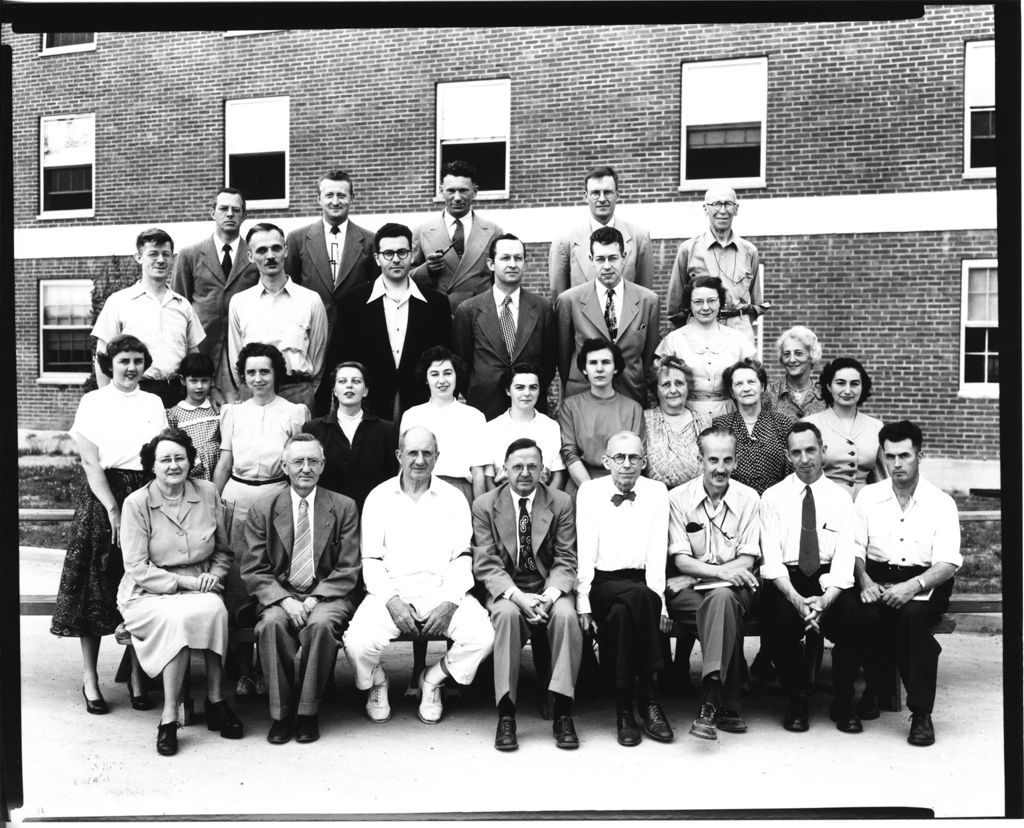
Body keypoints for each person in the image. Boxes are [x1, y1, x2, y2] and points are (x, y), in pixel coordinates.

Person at [344, 426, 495, 726]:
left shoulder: (453, 498)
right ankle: (377, 681)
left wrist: (451, 601)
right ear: (399, 455)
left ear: (437, 457)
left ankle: (432, 679)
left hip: (442, 590)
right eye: (412, 452)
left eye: (427, 453)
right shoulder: (379, 497)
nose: (419, 460)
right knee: (357, 644)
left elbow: (463, 556)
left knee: (483, 637)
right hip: (390, 592)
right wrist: (392, 601)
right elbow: (370, 559)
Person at [50, 335, 168, 714]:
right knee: (94, 587)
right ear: (109, 364)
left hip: (144, 492)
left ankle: (136, 675)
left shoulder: (152, 401)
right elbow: (89, 462)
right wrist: (114, 511)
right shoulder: (93, 402)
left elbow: (159, 454)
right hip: (104, 497)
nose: (131, 368)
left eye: (137, 360)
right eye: (123, 361)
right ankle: (90, 679)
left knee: (137, 586)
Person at [117, 429, 242, 756]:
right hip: (148, 591)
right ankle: (169, 718)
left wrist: (214, 577)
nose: (173, 465)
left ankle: (215, 700)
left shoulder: (208, 492)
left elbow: (223, 551)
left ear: (191, 461)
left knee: (215, 609)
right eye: (165, 460)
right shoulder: (137, 503)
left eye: (179, 458)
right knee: (178, 618)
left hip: (201, 583)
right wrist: (188, 584)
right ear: (152, 466)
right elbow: (137, 568)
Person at [240, 434, 363, 744]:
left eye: (312, 461)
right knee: (270, 625)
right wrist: (284, 601)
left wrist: (315, 599)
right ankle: (281, 715)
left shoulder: (343, 507)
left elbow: (348, 566)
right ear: (285, 466)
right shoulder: (263, 508)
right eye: (298, 461)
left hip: (327, 593)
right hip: (280, 594)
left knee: (321, 625)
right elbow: (254, 569)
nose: (305, 468)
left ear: (322, 466)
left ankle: (307, 712)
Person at [852, 420, 962, 747]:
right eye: (890, 457)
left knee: (912, 617)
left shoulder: (941, 503)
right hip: (877, 575)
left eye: (905, 456)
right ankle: (875, 686)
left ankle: (921, 712)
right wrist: (864, 581)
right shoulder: (868, 497)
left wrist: (912, 587)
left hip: (925, 579)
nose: (897, 464)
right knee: (866, 615)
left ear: (920, 455)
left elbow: (947, 563)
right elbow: (855, 549)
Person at [212, 342, 309, 699]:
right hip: (237, 499)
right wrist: (212, 502)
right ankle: (241, 669)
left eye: (264, 371)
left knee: (272, 580)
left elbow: (300, 463)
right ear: (243, 375)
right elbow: (224, 461)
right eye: (250, 372)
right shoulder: (233, 413)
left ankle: (270, 668)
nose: (257, 378)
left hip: (277, 500)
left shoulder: (294, 412)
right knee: (238, 585)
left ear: (276, 374)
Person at [472, 438, 582, 751]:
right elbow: (487, 563)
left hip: (548, 585)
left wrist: (547, 597)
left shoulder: (560, 502)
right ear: (503, 470)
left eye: (532, 466)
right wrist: (518, 597)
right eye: (517, 466)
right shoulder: (484, 506)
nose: (524, 473)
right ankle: (506, 714)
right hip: (508, 586)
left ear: (543, 470)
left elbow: (566, 558)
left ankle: (563, 712)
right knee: (506, 615)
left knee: (565, 616)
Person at [759, 422, 861, 733]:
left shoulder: (842, 498)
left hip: (828, 579)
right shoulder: (773, 497)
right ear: (788, 456)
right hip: (787, 580)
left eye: (811, 450)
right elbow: (771, 559)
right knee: (777, 619)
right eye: (797, 452)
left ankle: (843, 699)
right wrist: (796, 599)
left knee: (854, 618)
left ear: (823, 451)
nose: (805, 459)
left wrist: (826, 599)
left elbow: (845, 557)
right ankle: (797, 697)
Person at [576, 431, 673, 747]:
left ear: (644, 462)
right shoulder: (589, 492)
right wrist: (583, 603)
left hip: (640, 584)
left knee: (622, 615)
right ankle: (649, 697)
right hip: (602, 583)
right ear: (606, 461)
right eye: (620, 457)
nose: (627, 464)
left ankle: (624, 710)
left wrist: (661, 602)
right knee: (637, 600)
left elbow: (658, 550)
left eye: (634, 458)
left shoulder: (657, 492)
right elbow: (585, 551)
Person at [666, 426, 760, 741]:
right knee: (721, 607)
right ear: (700, 460)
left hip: (736, 588)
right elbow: (680, 559)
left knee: (722, 600)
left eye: (727, 460)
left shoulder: (749, 499)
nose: (720, 468)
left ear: (736, 461)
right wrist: (716, 573)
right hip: (692, 592)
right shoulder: (677, 499)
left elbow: (748, 560)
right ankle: (727, 704)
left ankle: (709, 702)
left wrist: (698, 574)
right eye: (713, 460)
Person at [320, 222, 451, 421]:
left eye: (402, 252)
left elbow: (446, 357)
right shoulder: (353, 302)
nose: (396, 259)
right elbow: (338, 358)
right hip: (368, 406)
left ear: (412, 254)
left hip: (422, 406)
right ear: (377, 258)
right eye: (388, 253)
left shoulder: (436, 303)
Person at [93, 228, 205, 407]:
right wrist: (107, 402)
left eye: (166, 254)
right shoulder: (119, 302)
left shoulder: (183, 305)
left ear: (172, 258)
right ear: (138, 257)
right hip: (135, 393)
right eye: (153, 254)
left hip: (178, 394)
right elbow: (102, 356)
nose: (160, 260)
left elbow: (194, 356)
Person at [452, 233, 557, 420]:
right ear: (491, 264)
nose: (512, 264)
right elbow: (462, 365)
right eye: (505, 258)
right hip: (485, 408)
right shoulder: (468, 310)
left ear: (525, 263)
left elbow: (548, 365)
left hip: (529, 409)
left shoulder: (543, 308)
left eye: (518, 258)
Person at [171, 187, 260, 404]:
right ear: (213, 212)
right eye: (223, 208)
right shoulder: (190, 254)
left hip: (240, 350)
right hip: (202, 351)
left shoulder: (255, 254)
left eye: (236, 210)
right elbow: (177, 306)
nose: (230, 214)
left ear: (244, 216)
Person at [227, 222, 329, 411]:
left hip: (297, 392)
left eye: (276, 248)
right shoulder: (240, 302)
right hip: (254, 392)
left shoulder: (310, 300)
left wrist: (305, 392)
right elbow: (236, 356)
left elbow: (318, 356)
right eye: (261, 250)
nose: (270, 256)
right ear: (250, 256)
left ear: (286, 250)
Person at [555, 225, 660, 406]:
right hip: (583, 395)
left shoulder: (648, 300)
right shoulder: (569, 301)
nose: (607, 266)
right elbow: (563, 358)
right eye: (600, 259)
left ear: (624, 258)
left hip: (630, 395)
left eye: (612, 258)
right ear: (591, 259)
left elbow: (649, 356)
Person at [666, 185, 764, 346]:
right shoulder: (688, 250)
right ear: (705, 209)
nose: (723, 210)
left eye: (728, 204)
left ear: (736, 209)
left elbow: (757, 303)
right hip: (699, 332)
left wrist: (738, 319)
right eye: (716, 204)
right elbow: (675, 307)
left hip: (739, 335)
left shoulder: (750, 251)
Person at [285, 170, 377, 338]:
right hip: (309, 331)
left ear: (352, 198)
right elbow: (291, 288)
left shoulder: (370, 241)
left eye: (341, 195)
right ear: (318, 199)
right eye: (329, 195)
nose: (335, 202)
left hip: (355, 331)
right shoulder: (296, 239)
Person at [655, 275, 756, 419]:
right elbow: (660, 382)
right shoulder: (673, 340)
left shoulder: (737, 338)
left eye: (711, 301)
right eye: (698, 302)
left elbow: (754, 379)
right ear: (689, 304)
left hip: (730, 414)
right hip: (685, 414)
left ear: (720, 301)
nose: (705, 307)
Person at [548, 165, 653, 302]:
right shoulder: (564, 242)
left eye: (608, 192)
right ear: (586, 197)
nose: (602, 199)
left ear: (617, 195)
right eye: (595, 193)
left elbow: (644, 298)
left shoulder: (639, 238)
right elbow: (560, 302)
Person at [302, 362, 398, 512]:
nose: (349, 386)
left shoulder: (386, 430)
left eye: (356, 381)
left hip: (372, 511)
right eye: (342, 381)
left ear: (365, 390)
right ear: (334, 390)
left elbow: (391, 477)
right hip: (327, 512)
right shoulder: (314, 429)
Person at [399, 347, 489, 505]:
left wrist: (479, 515)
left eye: (448, 373)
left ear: (456, 375)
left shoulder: (474, 416)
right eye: (434, 374)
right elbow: (404, 466)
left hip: (460, 491)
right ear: (426, 379)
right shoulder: (412, 415)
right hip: (419, 490)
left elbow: (478, 474)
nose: (442, 380)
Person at [411, 160, 504, 312]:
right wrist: (427, 269)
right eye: (451, 190)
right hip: (437, 315)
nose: (457, 197)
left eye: (463, 190)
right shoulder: (421, 231)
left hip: (479, 315)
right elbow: (405, 278)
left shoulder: (494, 232)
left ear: (475, 191)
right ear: (441, 191)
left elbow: (499, 280)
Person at [559, 339, 645, 495]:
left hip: (624, 487)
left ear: (616, 368)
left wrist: (616, 490)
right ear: (584, 369)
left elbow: (637, 455)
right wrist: (592, 491)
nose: (599, 369)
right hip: (582, 486)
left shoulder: (633, 408)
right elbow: (569, 453)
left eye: (606, 362)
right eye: (592, 363)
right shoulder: (570, 407)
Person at [802, 357, 886, 499]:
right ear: (829, 386)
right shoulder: (810, 425)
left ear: (862, 387)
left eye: (854, 384)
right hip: (825, 503)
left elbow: (881, 478)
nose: (847, 390)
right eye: (840, 383)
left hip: (864, 506)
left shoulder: (876, 427)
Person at [712, 358, 793, 495]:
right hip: (734, 503)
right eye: (738, 384)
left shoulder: (782, 423)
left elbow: (792, 471)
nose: (746, 388)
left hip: (775, 502)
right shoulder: (721, 426)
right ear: (732, 392)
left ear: (762, 387)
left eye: (751, 382)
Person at [483, 363, 566, 492]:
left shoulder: (551, 427)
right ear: (508, 390)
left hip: (543, 499)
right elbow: (488, 478)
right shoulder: (491, 428)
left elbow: (558, 474)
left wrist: (544, 504)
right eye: (520, 387)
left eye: (533, 387)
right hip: (502, 500)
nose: (527, 393)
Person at [642, 355, 711, 490]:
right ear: (656, 389)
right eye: (666, 384)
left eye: (679, 383)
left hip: (696, 497)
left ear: (688, 386)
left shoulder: (704, 421)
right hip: (658, 498)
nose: (673, 390)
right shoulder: (645, 420)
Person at [166, 352, 220, 482]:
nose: (199, 386)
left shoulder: (217, 409)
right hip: (192, 475)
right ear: (183, 380)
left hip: (219, 472)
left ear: (211, 380)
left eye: (204, 381)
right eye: (194, 381)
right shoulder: (174, 414)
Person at [766, 326, 826, 421]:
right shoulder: (769, 393)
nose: (792, 359)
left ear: (811, 356)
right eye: (786, 354)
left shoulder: (824, 394)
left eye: (798, 353)